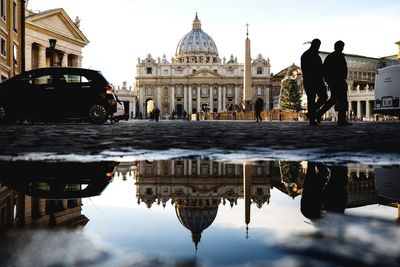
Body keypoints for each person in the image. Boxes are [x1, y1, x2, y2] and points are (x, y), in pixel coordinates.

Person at [317, 40, 351, 126]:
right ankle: (341, 120)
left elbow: (324, 70)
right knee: (342, 100)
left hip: (334, 81)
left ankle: (319, 114)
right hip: (338, 81)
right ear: (339, 47)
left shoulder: (330, 57)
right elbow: (343, 69)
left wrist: (328, 81)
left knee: (334, 99)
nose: (342, 48)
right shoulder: (338, 56)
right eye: (341, 46)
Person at [300, 39, 328, 126]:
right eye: (318, 45)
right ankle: (312, 118)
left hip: (312, 80)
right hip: (313, 80)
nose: (319, 47)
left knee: (318, 98)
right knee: (315, 98)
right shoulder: (310, 55)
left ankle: (311, 113)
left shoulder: (307, 55)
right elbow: (306, 69)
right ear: (314, 45)